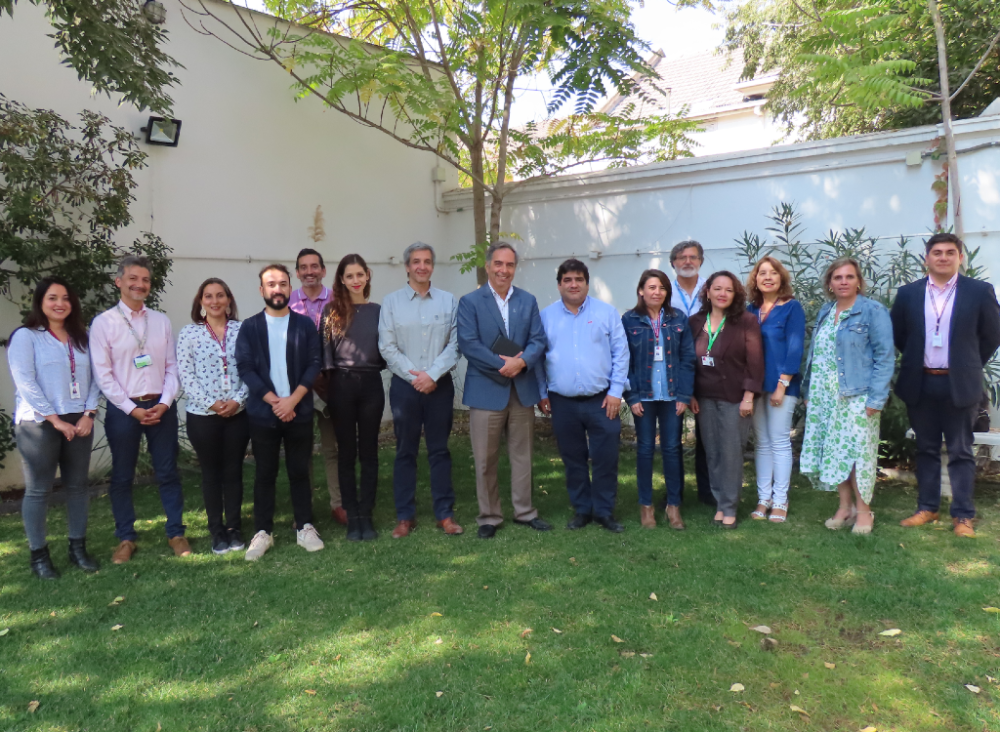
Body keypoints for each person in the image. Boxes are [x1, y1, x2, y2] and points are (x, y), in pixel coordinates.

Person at [891, 234, 1000, 537]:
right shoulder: (908, 294)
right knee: (925, 449)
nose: (943, 257)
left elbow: (992, 335)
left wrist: (968, 362)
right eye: (936, 252)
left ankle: (963, 515)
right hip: (921, 382)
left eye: (950, 252)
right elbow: (900, 336)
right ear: (927, 258)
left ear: (959, 258)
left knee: (961, 451)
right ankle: (927, 507)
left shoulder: (979, 292)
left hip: (959, 384)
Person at [90, 255, 189, 564]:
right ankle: (125, 538)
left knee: (168, 472)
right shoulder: (103, 323)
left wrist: (164, 402)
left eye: (145, 280)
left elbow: (173, 367)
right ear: (119, 281)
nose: (140, 284)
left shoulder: (160, 321)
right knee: (122, 475)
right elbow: (103, 375)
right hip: (124, 410)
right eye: (133, 278)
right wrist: (132, 409)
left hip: (161, 406)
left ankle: (176, 532)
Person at [456, 241, 552, 539]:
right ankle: (489, 516)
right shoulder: (470, 302)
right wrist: (504, 364)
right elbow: (469, 344)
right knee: (485, 457)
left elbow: (538, 340)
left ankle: (524, 512)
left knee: (522, 455)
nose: (504, 270)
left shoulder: (527, 300)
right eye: (498, 264)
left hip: (521, 390)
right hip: (486, 390)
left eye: (509, 265)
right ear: (488, 266)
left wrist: (521, 362)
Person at [8, 278, 100, 578]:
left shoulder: (81, 338)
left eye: (65, 298)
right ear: (41, 302)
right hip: (39, 424)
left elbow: (97, 377)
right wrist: (55, 420)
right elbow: (25, 382)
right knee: (38, 490)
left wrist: (88, 413)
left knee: (77, 487)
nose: (59, 303)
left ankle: (77, 549)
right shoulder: (26, 337)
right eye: (52, 298)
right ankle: (39, 556)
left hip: (79, 421)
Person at [236, 263, 324, 560]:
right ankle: (263, 532)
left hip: (298, 411)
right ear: (262, 290)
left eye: (283, 284)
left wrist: (293, 401)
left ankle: (305, 526)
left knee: (300, 471)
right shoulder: (250, 327)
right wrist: (276, 401)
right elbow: (245, 368)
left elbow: (314, 364)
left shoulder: (304, 325)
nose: (277, 289)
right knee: (265, 473)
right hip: (264, 413)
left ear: (290, 288)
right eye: (271, 284)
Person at [800, 258, 894, 535]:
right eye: (837, 277)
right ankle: (845, 507)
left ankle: (864, 511)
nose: (843, 282)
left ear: (858, 281)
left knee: (859, 454)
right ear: (829, 283)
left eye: (849, 277)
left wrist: (876, 399)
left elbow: (884, 357)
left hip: (857, 394)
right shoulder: (826, 312)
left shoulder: (872, 311)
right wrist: (809, 392)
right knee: (833, 452)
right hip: (823, 395)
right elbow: (817, 355)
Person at [537, 259, 630, 532]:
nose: (573, 284)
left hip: (602, 400)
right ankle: (581, 510)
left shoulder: (606, 313)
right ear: (559, 285)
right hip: (562, 402)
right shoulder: (546, 317)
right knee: (573, 458)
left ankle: (603, 511)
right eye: (567, 280)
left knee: (606, 457)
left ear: (587, 283)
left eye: (578, 279)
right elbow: (538, 359)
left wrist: (616, 392)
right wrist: (542, 393)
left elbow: (620, 354)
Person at [378, 243, 463, 538]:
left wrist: (433, 375)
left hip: (439, 387)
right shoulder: (391, 303)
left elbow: (455, 344)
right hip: (405, 387)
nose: (422, 266)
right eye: (416, 261)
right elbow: (387, 347)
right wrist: (416, 377)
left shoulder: (448, 301)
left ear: (432, 266)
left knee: (439, 450)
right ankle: (405, 516)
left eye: (427, 261)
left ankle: (445, 514)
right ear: (407, 267)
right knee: (405, 451)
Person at [176, 279, 250, 555]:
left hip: (238, 413)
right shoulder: (189, 334)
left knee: (233, 471)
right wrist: (213, 404)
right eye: (209, 296)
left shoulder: (242, 331)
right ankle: (216, 530)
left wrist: (237, 400)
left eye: (221, 295)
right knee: (211, 474)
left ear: (229, 300)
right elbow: (187, 375)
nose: (215, 301)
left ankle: (233, 528)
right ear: (201, 301)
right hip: (203, 415)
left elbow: (251, 369)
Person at [688, 271, 764, 528]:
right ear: (707, 291)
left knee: (731, 453)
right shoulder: (695, 321)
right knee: (713, 453)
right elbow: (688, 361)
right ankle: (720, 502)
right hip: (704, 397)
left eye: (728, 290)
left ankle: (730, 506)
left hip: (735, 398)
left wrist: (749, 396)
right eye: (717, 288)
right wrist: (690, 394)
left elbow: (755, 362)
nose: (722, 294)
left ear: (736, 295)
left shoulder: (746, 321)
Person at [622, 269, 695, 530]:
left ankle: (673, 507)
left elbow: (688, 360)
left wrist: (684, 396)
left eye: (662, 288)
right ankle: (646, 507)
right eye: (651, 287)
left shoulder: (678, 319)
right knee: (644, 450)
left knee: (672, 449)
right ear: (641, 291)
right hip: (643, 396)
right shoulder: (629, 320)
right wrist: (631, 396)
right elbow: (624, 361)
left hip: (672, 396)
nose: (657, 292)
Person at [322, 254, 386, 542]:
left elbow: (385, 350)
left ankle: (366, 513)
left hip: (371, 384)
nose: (356, 280)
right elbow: (325, 356)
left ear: (368, 275)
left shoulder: (379, 311)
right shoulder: (331, 311)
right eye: (350, 276)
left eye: (360, 274)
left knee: (369, 451)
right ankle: (352, 515)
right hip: (342, 385)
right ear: (342, 280)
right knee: (346, 453)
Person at [746, 257, 805, 523]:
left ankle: (781, 501)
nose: (767, 277)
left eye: (773, 273)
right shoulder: (750, 310)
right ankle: (763, 498)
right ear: (755, 280)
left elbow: (795, 349)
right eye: (762, 273)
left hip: (782, 386)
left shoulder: (792, 308)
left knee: (779, 441)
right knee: (762, 443)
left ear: (781, 278)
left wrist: (782, 384)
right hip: (756, 387)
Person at [289, 248, 344, 526]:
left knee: (332, 447)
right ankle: (304, 506)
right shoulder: (286, 303)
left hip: (330, 385)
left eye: (314, 267)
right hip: (297, 387)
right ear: (297, 273)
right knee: (302, 448)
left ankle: (338, 504)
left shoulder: (338, 301)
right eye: (303, 267)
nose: (309, 271)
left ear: (323, 270)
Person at [668, 240, 712, 506]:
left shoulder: (711, 288)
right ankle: (675, 494)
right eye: (682, 257)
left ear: (700, 261)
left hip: (707, 368)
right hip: (671, 369)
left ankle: (707, 493)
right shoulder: (663, 288)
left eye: (693, 257)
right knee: (672, 437)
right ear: (673, 262)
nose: (687, 261)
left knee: (706, 437)